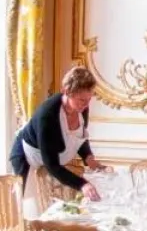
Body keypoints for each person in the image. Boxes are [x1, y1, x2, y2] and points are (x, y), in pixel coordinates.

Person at [10, 65, 106, 201]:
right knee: (25, 204)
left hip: (51, 161)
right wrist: (82, 184)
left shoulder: (82, 107)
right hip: (26, 156)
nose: (86, 104)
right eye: (82, 100)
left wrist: (89, 159)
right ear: (67, 92)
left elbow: (80, 136)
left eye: (89, 99)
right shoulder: (47, 115)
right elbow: (52, 165)